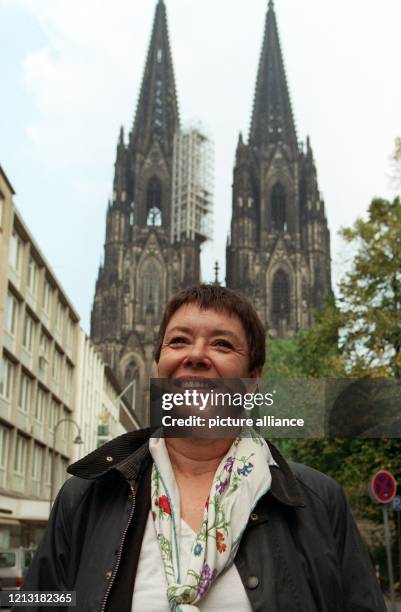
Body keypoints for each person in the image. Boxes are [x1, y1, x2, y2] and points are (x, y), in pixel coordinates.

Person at [19, 284, 385, 611]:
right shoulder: (86, 496)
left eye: (222, 344)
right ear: (159, 365)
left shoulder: (318, 502)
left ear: (253, 378)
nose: (196, 355)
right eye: (178, 341)